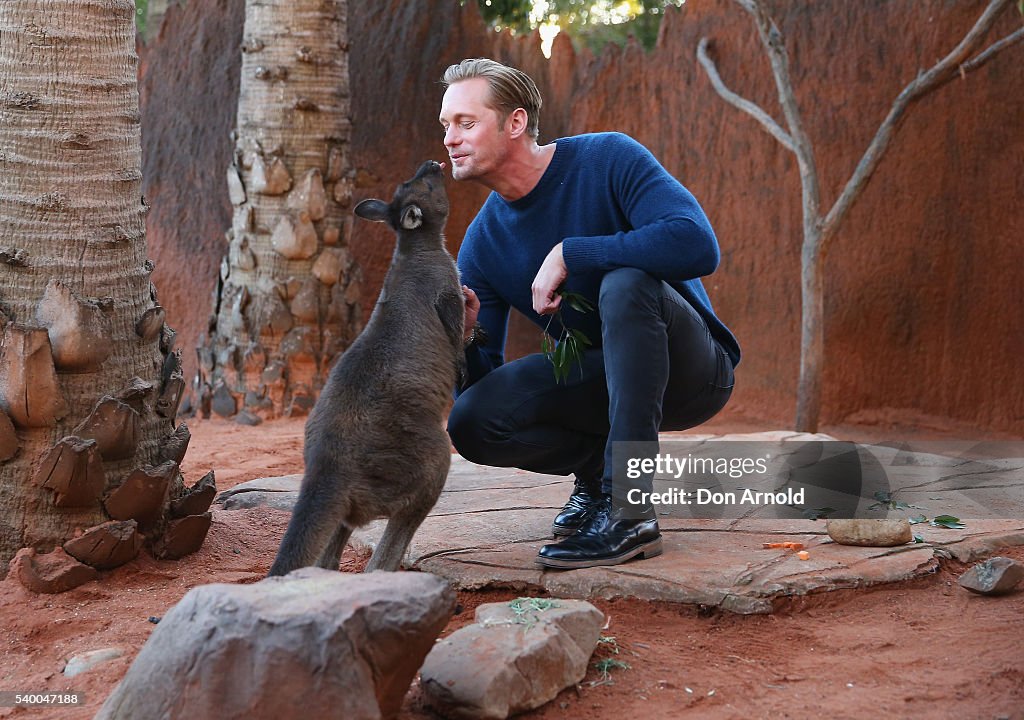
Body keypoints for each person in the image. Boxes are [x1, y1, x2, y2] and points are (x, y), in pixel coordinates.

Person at [439, 58, 740, 569]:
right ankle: (599, 475)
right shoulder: (483, 243)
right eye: (445, 126)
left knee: (625, 283)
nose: (450, 139)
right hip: (600, 383)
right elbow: (481, 399)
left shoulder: (606, 158)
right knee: (471, 424)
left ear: (515, 123)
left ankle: (629, 513)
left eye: (466, 123)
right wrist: (464, 339)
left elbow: (697, 243)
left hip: (690, 372)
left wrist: (573, 253)